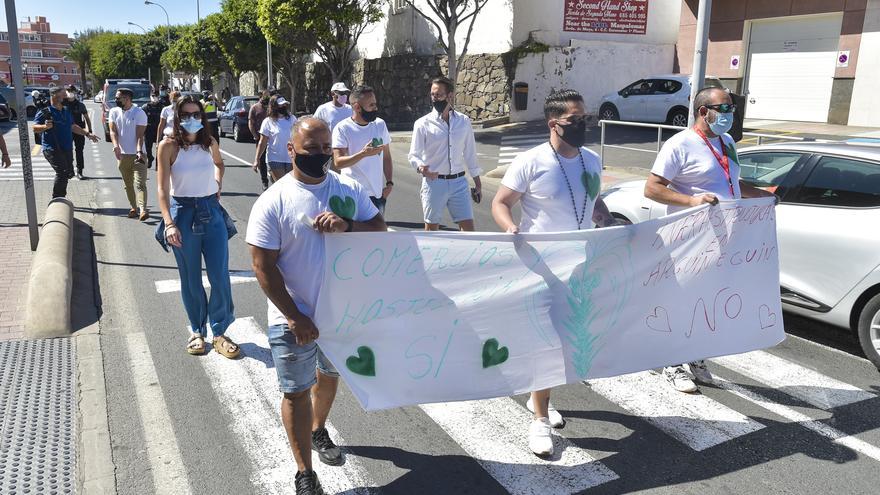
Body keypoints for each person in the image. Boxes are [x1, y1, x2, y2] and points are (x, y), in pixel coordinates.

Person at [247, 117, 386, 495]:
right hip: (293, 319)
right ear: (291, 150)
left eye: (326, 148)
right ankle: (304, 472)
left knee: (329, 376)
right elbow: (263, 267)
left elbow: (380, 231)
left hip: (341, 315)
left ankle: (318, 428)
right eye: (311, 150)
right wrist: (296, 316)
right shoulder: (272, 201)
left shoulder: (349, 189)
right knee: (295, 391)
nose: (321, 156)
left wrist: (347, 226)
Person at [492, 89, 618, 457]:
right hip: (541, 267)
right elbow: (501, 202)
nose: (582, 125)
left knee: (567, 340)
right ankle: (540, 420)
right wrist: (509, 228)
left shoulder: (592, 160)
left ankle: (538, 399)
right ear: (554, 124)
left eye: (585, 119)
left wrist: (606, 219)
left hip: (582, 266)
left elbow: (592, 200)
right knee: (546, 342)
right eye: (574, 121)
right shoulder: (530, 161)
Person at [644, 86, 777, 394]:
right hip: (689, 238)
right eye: (724, 109)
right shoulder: (680, 144)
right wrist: (692, 201)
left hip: (722, 238)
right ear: (704, 111)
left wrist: (762, 196)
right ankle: (672, 362)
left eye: (732, 108)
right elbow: (652, 188)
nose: (731, 114)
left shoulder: (726, 141)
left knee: (708, 299)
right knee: (684, 298)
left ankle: (695, 357)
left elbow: (730, 181)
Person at [156, 95, 239, 359]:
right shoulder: (168, 146)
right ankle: (196, 331)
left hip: (211, 212)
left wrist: (218, 185)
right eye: (186, 115)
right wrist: (169, 223)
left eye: (196, 115)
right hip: (183, 213)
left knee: (219, 275)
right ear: (177, 117)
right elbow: (161, 188)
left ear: (203, 117)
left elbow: (219, 163)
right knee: (190, 278)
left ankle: (220, 332)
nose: (192, 120)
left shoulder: (210, 142)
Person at [408, 76, 482, 231]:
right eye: (433, 95)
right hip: (434, 183)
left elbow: (470, 154)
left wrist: (478, 182)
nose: (435, 98)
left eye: (439, 95)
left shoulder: (464, 121)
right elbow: (413, 155)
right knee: (431, 229)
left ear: (450, 96)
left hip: (459, 182)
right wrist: (421, 167)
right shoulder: (422, 124)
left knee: (469, 231)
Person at [331, 85, 393, 216]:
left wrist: (389, 183)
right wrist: (363, 154)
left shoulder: (380, 124)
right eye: (371, 105)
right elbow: (338, 162)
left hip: (377, 196)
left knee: (377, 235)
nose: (375, 108)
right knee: (353, 235)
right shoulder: (342, 128)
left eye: (375, 104)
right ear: (357, 107)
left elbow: (386, 157)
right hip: (352, 195)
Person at [33, 87, 98, 199]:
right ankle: (58, 198)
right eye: (63, 95)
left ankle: (61, 196)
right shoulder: (45, 111)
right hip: (52, 148)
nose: (65, 97)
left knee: (68, 173)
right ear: (54, 95)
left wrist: (87, 134)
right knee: (62, 172)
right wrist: (45, 126)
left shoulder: (66, 110)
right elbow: (35, 127)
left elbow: (72, 126)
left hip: (67, 148)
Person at [108, 87, 149, 220]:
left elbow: (140, 136)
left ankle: (143, 210)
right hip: (122, 155)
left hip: (139, 154)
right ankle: (133, 207)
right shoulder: (114, 111)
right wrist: (116, 146)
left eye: (118, 97)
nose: (116, 100)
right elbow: (113, 131)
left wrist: (138, 151)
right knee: (128, 184)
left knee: (140, 184)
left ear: (127, 98)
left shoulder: (139, 113)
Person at [253, 95, 298, 183]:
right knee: (281, 184)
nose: (283, 107)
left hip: (290, 159)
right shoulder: (268, 122)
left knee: (290, 186)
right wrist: (256, 159)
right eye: (281, 105)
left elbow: (297, 137)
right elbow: (262, 142)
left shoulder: (292, 119)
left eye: (284, 104)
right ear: (274, 106)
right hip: (274, 159)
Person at [63, 84, 92, 179]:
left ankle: (80, 171)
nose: (70, 92)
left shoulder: (80, 105)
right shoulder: (62, 104)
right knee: (67, 151)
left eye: (72, 90)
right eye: (68, 90)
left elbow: (87, 118)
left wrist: (89, 130)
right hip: (66, 131)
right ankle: (69, 170)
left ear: (75, 92)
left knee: (79, 151)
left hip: (79, 131)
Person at [248, 90, 271, 190]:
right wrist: (255, 135)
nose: (266, 98)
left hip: (272, 138)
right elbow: (251, 122)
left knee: (272, 159)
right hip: (260, 137)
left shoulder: (272, 107)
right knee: (261, 159)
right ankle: (264, 181)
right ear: (260, 96)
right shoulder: (255, 108)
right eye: (265, 96)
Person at [143, 91, 165, 169]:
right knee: (147, 148)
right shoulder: (145, 107)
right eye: (153, 96)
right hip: (148, 129)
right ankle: (150, 158)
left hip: (158, 129)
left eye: (156, 96)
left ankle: (158, 163)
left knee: (159, 147)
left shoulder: (162, 107)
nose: (154, 97)